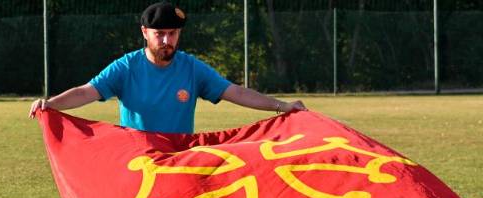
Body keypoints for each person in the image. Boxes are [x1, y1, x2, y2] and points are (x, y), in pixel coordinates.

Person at [29, 1, 306, 133]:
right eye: (159, 34)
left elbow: (236, 92)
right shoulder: (126, 67)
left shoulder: (192, 68)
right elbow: (85, 92)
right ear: (144, 33)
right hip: (137, 158)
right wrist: (50, 104)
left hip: (179, 158)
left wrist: (282, 106)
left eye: (172, 33)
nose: (166, 40)